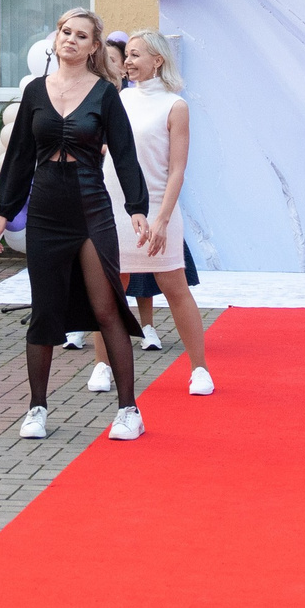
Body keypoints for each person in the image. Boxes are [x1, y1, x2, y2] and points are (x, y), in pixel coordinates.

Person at [0, 8, 151, 442]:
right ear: (55, 38)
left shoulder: (104, 93)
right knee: (44, 310)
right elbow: (20, 155)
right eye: (65, 32)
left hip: (90, 207)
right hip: (45, 208)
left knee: (105, 307)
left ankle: (129, 410)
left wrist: (137, 207)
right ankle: (36, 408)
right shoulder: (36, 92)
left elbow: (124, 152)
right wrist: (4, 212)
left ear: (94, 47)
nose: (71, 40)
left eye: (81, 36)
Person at [103, 29, 214, 395]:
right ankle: (102, 366)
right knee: (110, 290)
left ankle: (199, 369)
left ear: (158, 60)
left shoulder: (174, 105)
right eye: (128, 55)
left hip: (157, 207)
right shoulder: (117, 100)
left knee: (175, 287)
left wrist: (162, 219)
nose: (129, 61)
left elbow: (177, 169)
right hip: (115, 208)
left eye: (136, 55)